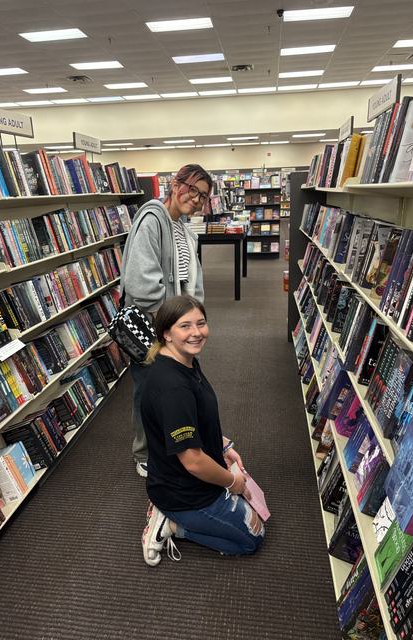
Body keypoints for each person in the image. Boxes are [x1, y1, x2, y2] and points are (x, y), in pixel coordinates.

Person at [140, 295, 265, 566]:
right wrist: (232, 482)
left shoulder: (185, 361)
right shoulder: (173, 387)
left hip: (189, 477)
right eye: (185, 326)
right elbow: (194, 462)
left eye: (201, 323)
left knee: (253, 513)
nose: (196, 333)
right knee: (252, 538)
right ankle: (170, 525)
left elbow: (195, 421)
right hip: (184, 492)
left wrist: (222, 446)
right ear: (166, 333)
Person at [120, 164, 213, 478]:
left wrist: (194, 320)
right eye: (192, 190)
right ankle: (145, 452)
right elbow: (141, 283)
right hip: (155, 328)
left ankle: (175, 446)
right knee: (148, 389)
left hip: (177, 330)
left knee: (175, 389)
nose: (196, 199)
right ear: (176, 184)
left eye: (203, 196)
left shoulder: (185, 230)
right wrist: (175, 320)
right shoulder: (151, 220)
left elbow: (191, 282)